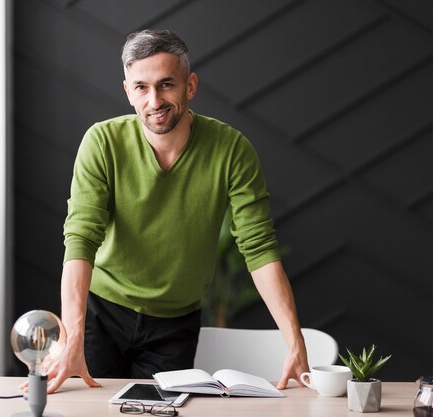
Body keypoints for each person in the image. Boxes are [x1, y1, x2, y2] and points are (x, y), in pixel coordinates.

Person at [35, 29, 309, 394]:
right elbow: (80, 239)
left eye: (166, 85)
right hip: (100, 315)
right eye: (141, 87)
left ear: (190, 86)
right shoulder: (102, 142)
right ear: (128, 91)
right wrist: (72, 336)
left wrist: (294, 341)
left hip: (174, 326)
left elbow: (258, 247)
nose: (154, 100)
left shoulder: (232, 150)